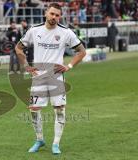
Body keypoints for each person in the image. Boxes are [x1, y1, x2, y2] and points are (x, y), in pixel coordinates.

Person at [15, 3, 86, 155]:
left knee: (59, 110)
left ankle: (56, 144)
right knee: (34, 110)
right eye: (52, 14)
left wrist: (69, 66)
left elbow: (81, 51)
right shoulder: (34, 30)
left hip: (56, 77)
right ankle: (39, 139)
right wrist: (26, 66)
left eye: (57, 15)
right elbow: (18, 48)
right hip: (38, 76)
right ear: (46, 13)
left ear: (60, 17)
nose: (54, 17)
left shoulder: (66, 32)